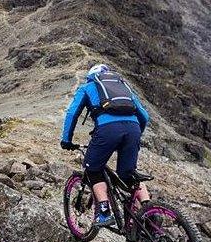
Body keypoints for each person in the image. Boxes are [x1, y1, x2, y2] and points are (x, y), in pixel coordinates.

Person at [60, 64, 150, 227]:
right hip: (133, 129)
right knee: (129, 175)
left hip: (108, 131)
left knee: (93, 169)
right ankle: (148, 210)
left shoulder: (87, 86)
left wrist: (66, 140)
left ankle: (104, 211)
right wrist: (134, 134)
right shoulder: (124, 87)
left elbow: (72, 113)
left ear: (91, 77)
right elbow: (144, 115)